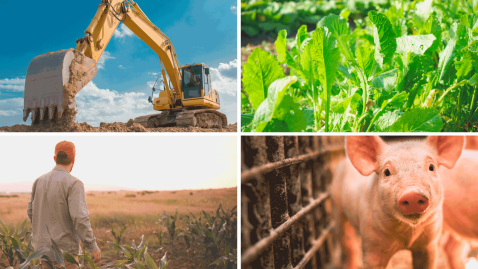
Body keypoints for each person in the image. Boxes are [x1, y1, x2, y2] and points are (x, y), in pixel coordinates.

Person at [27, 141, 101, 269]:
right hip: (65, 254)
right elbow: (79, 218)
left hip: (43, 251)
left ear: (55, 158)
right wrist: (92, 246)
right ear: (74, 159)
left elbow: (30, 211)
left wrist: (43, 235)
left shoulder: (38, 181)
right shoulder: (74, 183)